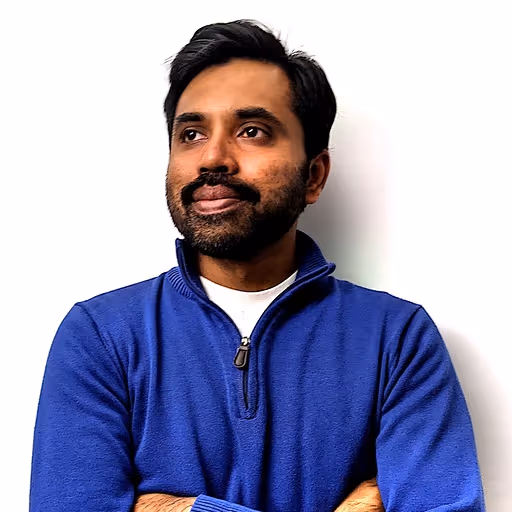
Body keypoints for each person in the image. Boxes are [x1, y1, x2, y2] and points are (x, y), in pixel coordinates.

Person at [30, 19, 485, 512]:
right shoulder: (100, 337)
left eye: (252, 131)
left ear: (314, 176)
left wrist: (172, 508)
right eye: (191, 133)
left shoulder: (397, 339)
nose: (213, 158)